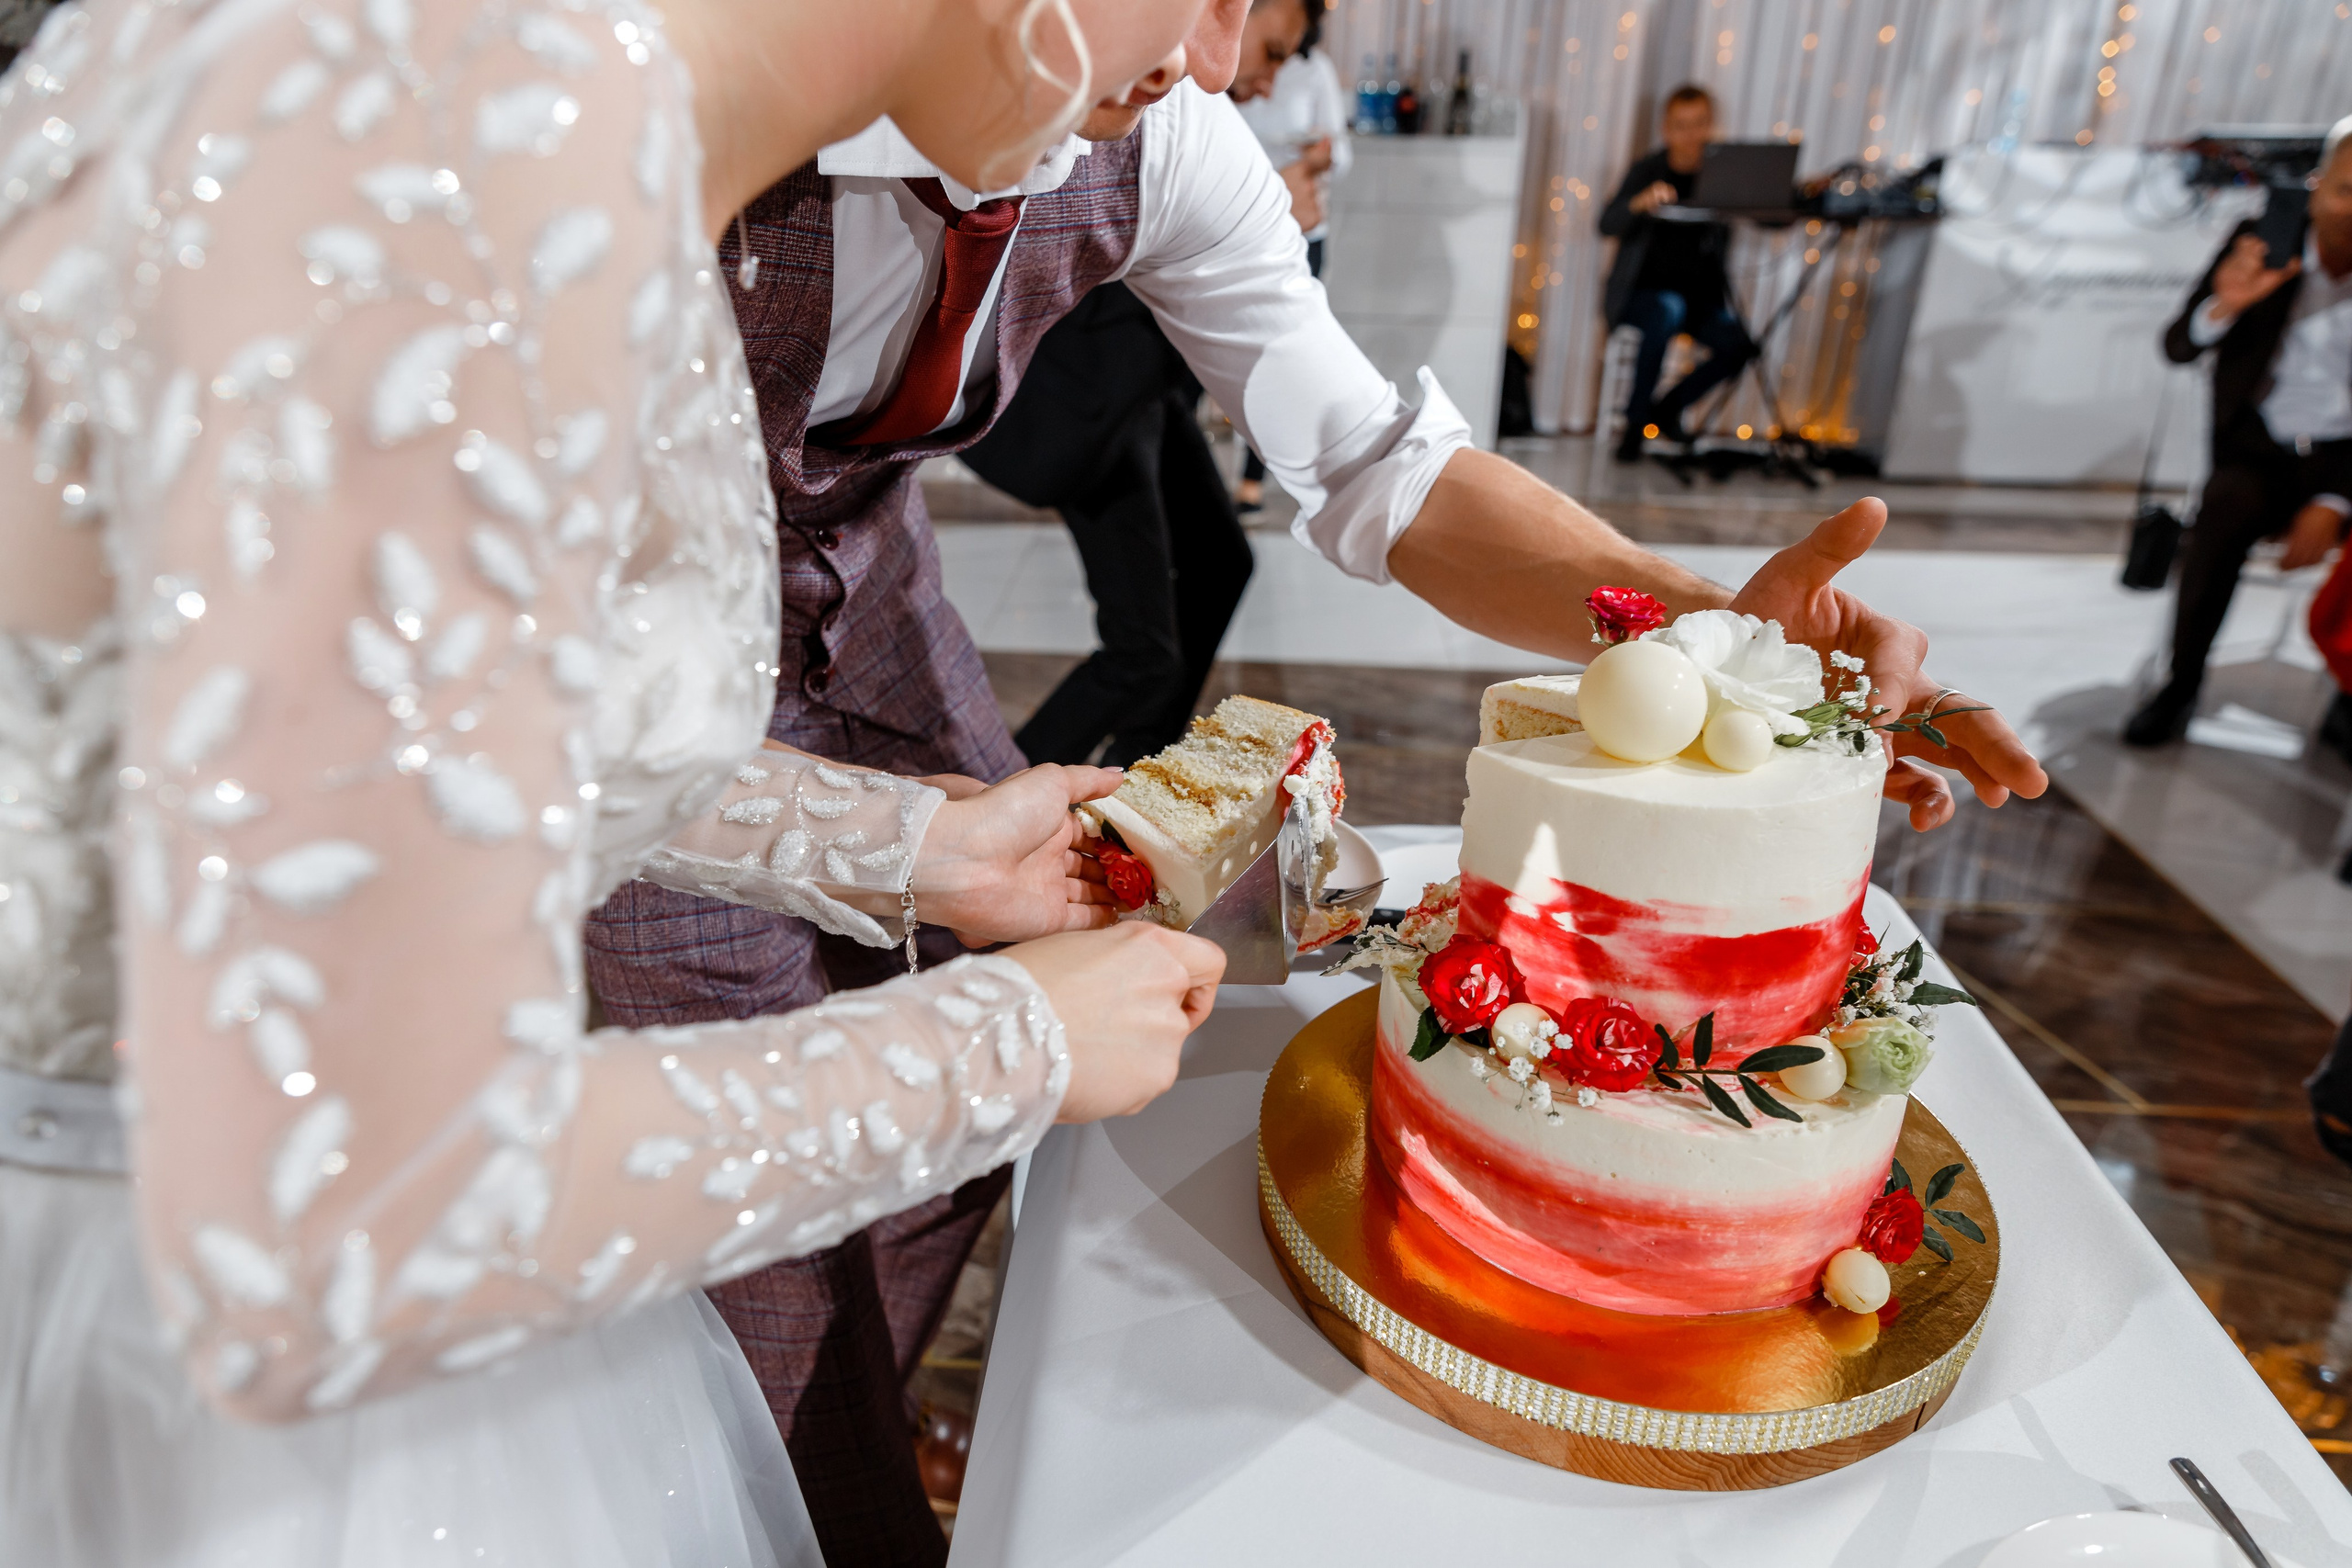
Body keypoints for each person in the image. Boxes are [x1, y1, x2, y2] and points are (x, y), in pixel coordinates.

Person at [665, 10, 2053, 1560]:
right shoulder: (631, 119)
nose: (1220, 53)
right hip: (600, 705)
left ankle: (874, 1368)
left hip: (886, 625)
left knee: (976, 1108)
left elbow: (1382, 463)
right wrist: (889, 842)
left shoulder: (1156, 123)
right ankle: (805, 1483)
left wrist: (1717, 643)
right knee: (750, 1227)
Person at [0, 1, 1229, 1563]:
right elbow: (357, 1213)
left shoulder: (560, 112)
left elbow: (408, 739)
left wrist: (922, 847)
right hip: (180, 1363)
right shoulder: (440, 154)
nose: (1219, 48)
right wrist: (1008, 1045)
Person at [2126, 115, 2352, 748]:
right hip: (2258, 452)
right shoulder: (2264, 241)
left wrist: (2336, 502)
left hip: (2344, 462)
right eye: (2347, 190)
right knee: (2221, 517)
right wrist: (2226, 304)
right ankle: (2181, 681)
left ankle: (2347, 693)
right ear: (2318, 184)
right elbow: (2178, 345)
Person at [962, 284, 1252, 765]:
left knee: (1223, 563)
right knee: (1142, 655)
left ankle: (1139, 771)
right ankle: (1008, 789)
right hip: (1092, 389)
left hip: (1146, 375)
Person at [1598, 84, 1758, 463]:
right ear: (1666, 129)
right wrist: (1639, 202)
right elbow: (1607, 224)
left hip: (1700, 299)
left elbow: (1769, 220)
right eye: (1682, 125)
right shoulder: (1647, 171)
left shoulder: (1721, 177)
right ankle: (1635, 427)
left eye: (1700, 124)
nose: (1692, 135)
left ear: (1711, 125)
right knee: (1664, 311)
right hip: (1641, 296)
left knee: (1741, 344)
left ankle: (1667, 408)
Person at [1230, 0, 1347, 511]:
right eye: (1272, 55)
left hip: (1299, 231)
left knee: (1275, 364)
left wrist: (1322, 159)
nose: (1269, 86)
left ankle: (1252, 478)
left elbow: (1338, 151)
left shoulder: (1316, 71)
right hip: (1246, 222)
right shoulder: (1198, 91)